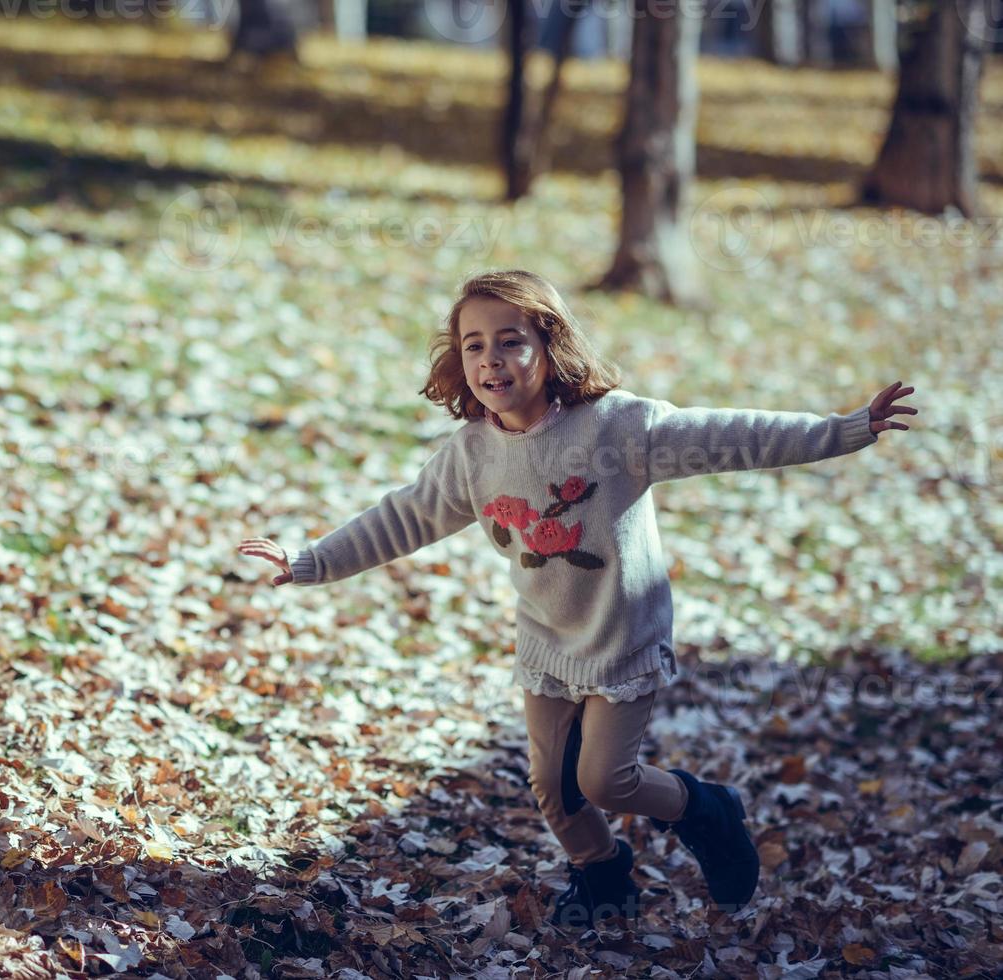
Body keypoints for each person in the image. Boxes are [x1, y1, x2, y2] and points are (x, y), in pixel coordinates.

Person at [237, 268, 916, 928]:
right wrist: (311, 560)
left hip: (620, 639)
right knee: (553, 792)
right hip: (546, 640)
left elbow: (732, 436)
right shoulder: (471, 453)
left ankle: (703, 808)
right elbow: (403, 517)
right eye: (473, 344)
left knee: (603, 782)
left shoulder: (617, 430)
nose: (490, 359)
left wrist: (845, 428)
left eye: (509, 340)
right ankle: (602, 875)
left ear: (549, 344)